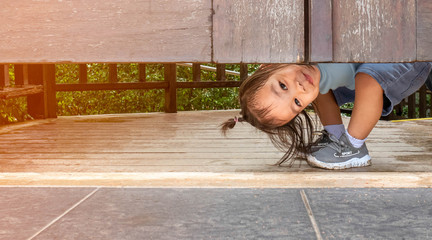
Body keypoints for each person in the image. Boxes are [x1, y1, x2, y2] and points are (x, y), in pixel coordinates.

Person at [221, 63, 432, 169]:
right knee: (318, 89)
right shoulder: (308, 79)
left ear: (267, 66)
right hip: (381, 67)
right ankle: (339, 137)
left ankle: (354, 147)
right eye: (296, 103)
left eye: (283, 86)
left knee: (367, 77)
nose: (299, 88)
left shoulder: (305, 43)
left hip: (405, 52)